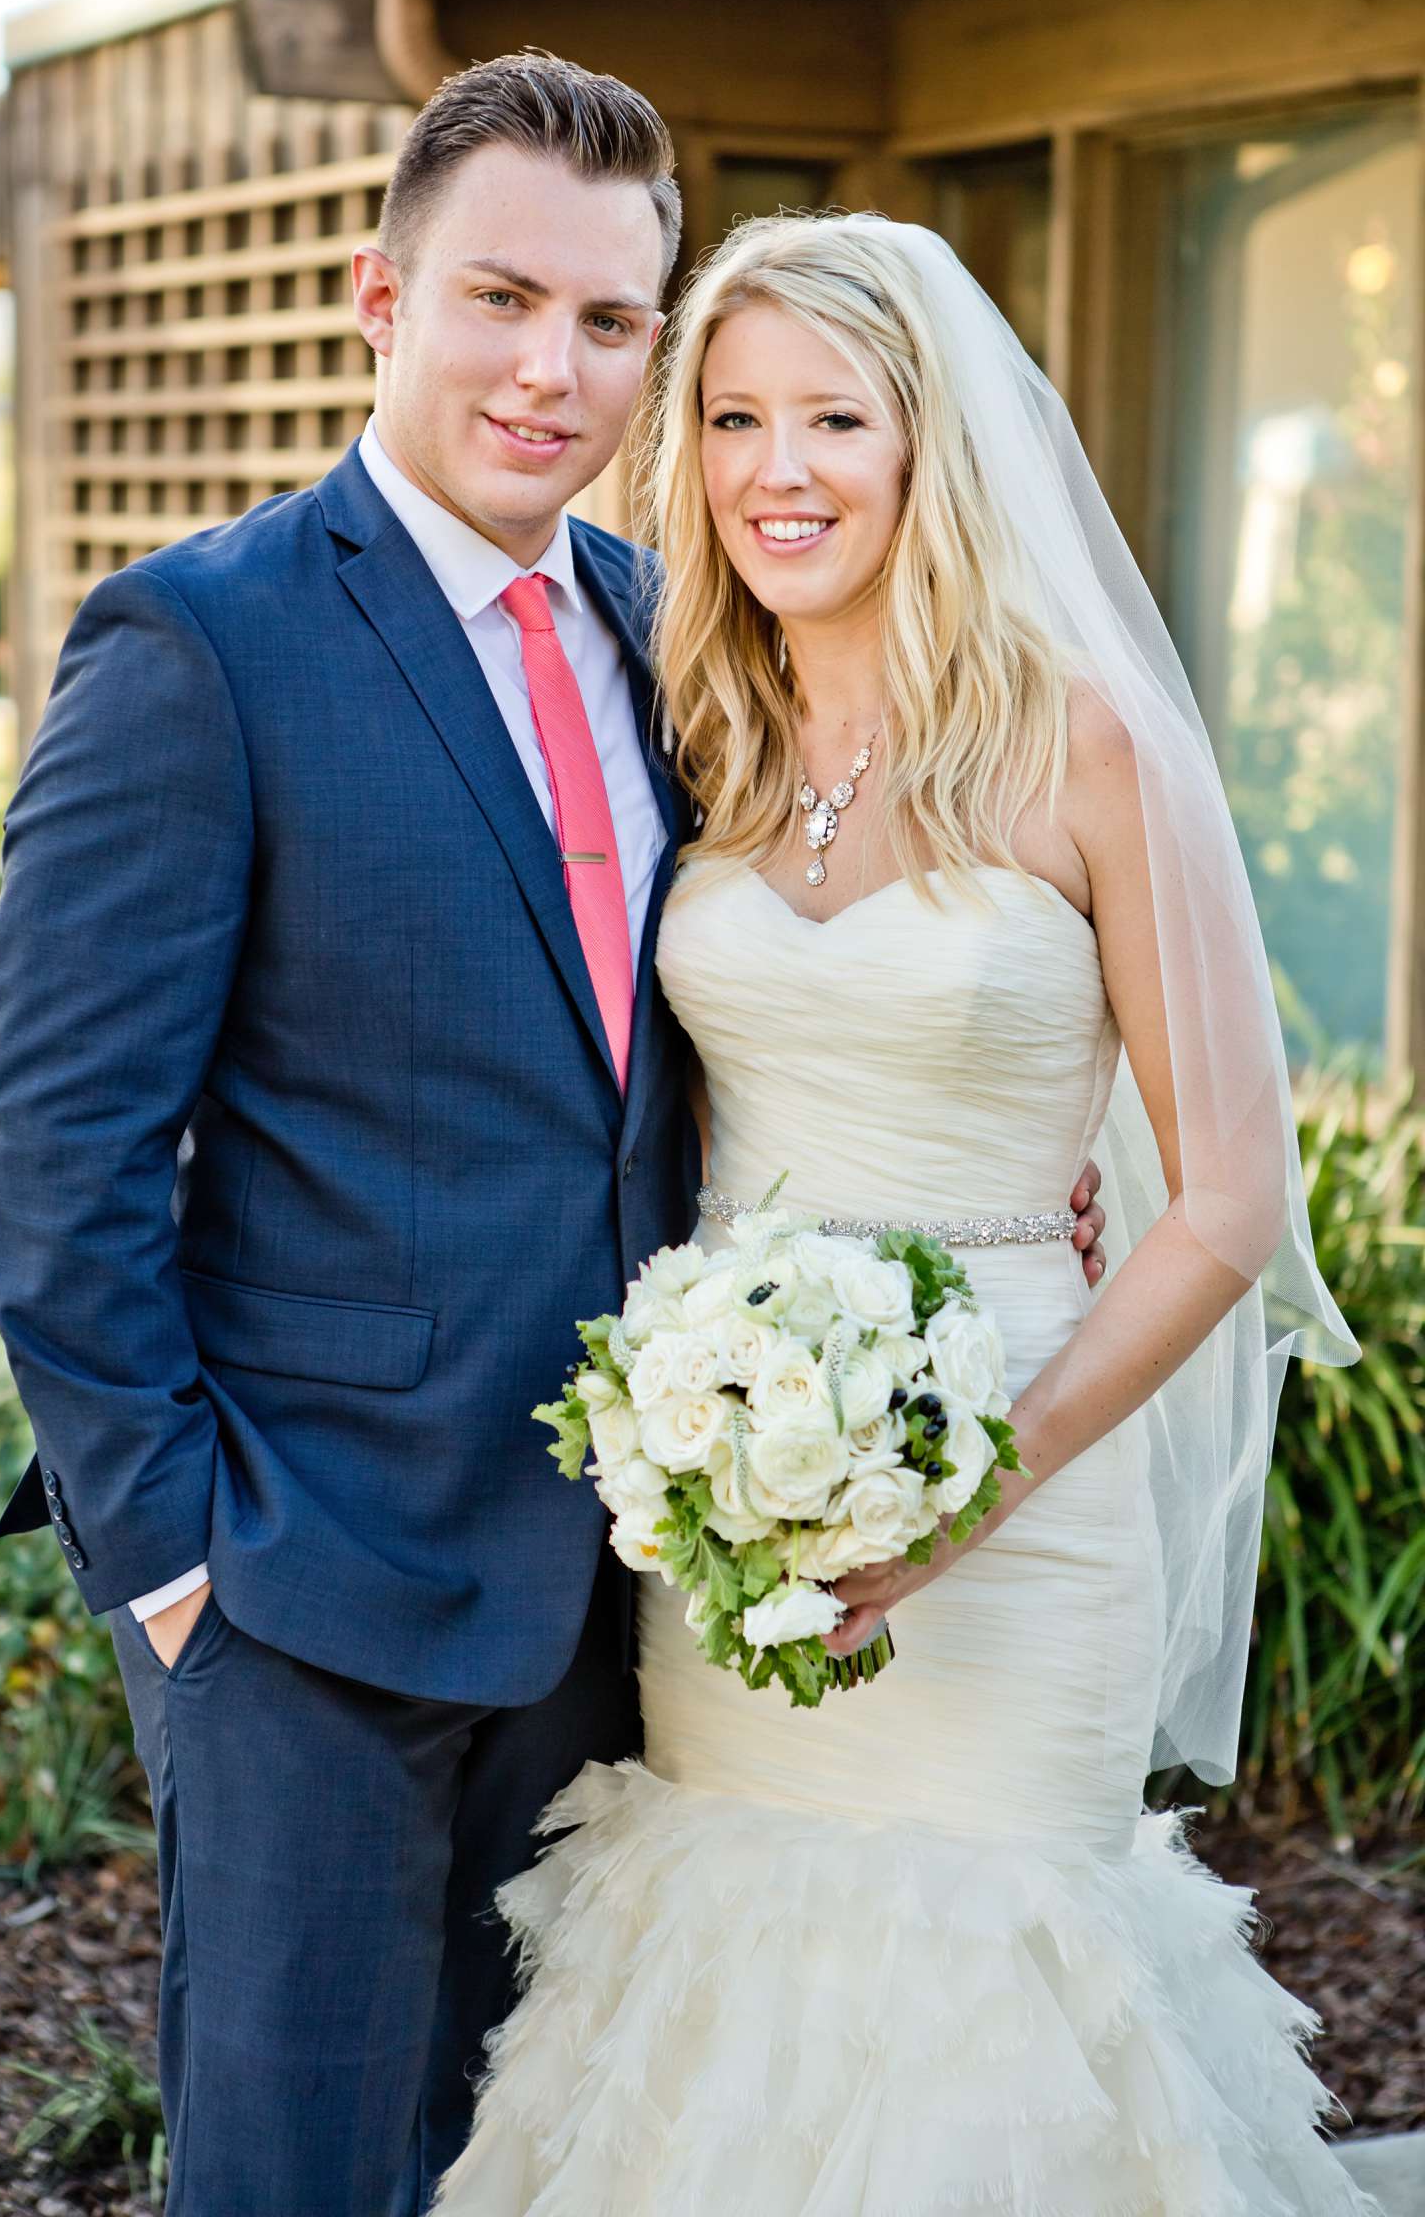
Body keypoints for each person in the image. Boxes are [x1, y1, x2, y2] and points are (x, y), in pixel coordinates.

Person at [0, 51, 1115, 2216]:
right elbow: (53, 1144)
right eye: (501, 298)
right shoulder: (200, 643)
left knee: (548, 2165)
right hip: (304, 1591)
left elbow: (737, 1010)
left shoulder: (663, 637)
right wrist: (181, 1568)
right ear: (376, 298)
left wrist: (988, 1158)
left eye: (609, 324)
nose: (549, 371)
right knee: (300, 2176)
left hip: (624, 1594)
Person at [430, 212, 1370, 2216]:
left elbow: (1222, 1202)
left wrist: (969, 1490)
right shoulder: (703, 742)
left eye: (833, 419)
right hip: (730, 1500)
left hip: (1020, 1510)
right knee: (732, 2010)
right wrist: (709, 1426)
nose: (779, 469)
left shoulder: (1083, 748)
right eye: (734, 418)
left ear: (922, 442)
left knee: (983, 2039)